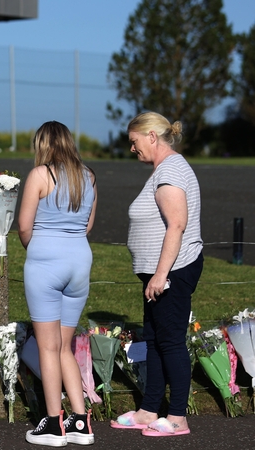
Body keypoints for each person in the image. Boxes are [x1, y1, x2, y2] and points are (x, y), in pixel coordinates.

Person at [109, 112, 203, 437]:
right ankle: (149, 410)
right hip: (160, 274)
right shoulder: (165, 169)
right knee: (154, 341)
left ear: (151, 136)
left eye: (134, 142)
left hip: (172, 272)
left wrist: (161, 274)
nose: (132, 149)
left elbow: (177, 224)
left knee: (171, 342)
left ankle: (177, 418)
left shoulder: (172, 169)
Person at [18, 121, 97, 447]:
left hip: (46, 263)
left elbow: (24, 226)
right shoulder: (88, 176)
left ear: (43, 144)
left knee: (47, 346)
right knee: (64, 346)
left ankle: (53, 423)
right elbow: (88, 225)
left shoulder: (40, 175)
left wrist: (37, 250)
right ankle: (80, 421)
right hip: (80, 261)